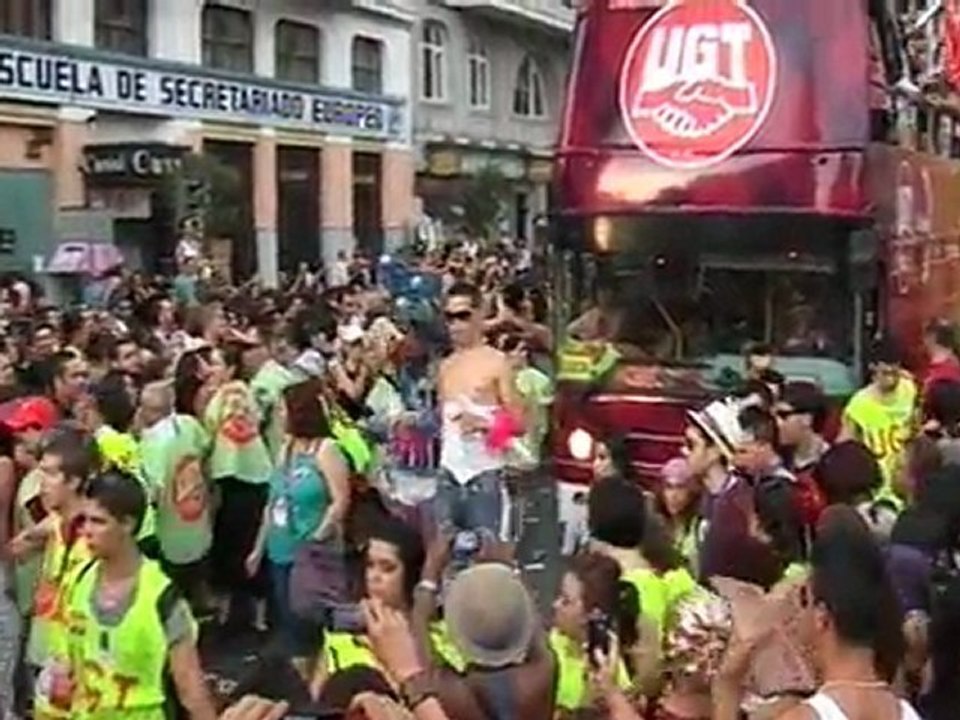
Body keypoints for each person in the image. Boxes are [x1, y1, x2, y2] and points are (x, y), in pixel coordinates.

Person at [713, 505, 920, 720]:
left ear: (822, 616)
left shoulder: (804, 716)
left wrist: (726, 688)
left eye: (805, 602)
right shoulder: (907, 712)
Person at [64, 469, 218, 719]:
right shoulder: (78, 579)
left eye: (98, 521)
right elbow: (68, 662)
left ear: (127, 524)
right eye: (84, 520)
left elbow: (191, 688)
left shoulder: (162, 598)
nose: (86, 531)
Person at [246, 378, 351, 648]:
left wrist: (317, 537)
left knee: (308, 625)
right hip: (280, 550)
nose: (280, 416)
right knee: (288, 620)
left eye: (283, 410)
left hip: (311, 554)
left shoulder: (326, 450)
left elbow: (340, 501)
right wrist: (258, 549)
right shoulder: (286, 449)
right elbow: (273, 502)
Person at [8, 424, 98, 720]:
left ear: (74, 481)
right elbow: (27, 542)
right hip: (50, 652)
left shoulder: (98, 541)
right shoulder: (58, 520)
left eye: (50, 474)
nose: (41, 482)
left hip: (82, 667)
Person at [436, 281, 523, 540]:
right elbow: (443, 422)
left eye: (462, 316)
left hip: (485, 474)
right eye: (450, 317)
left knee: (488, 556)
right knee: (443, 551)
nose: (455, 325)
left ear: (479, 316)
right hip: (448, 472)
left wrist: (485, 425)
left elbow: (519, 423)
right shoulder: (445, 366)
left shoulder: (497, 363)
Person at [550, 552, 638, 713]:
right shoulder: (549, 646)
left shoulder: (609, 669)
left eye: (566, 601)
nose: (555, 605)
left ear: (593, 613)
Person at [840, 338, 917, 506]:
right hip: (876, 494)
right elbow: (846, 448)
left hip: (909, 489)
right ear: (872, 368)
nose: (890, 377)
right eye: (885, 372)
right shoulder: (858, 404)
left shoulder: (912, 390)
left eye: (894, 372)